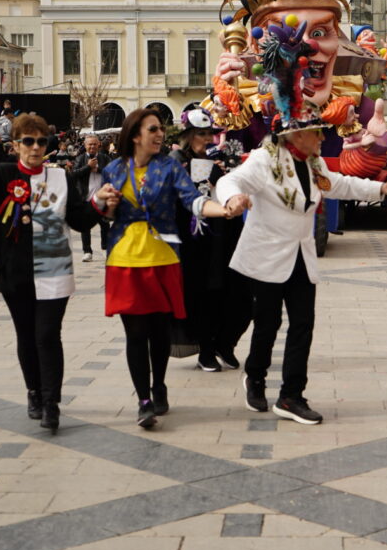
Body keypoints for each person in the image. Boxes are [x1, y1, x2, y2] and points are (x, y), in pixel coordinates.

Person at [216, 109, 387, 426]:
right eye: (316, 132)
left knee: (303, 324)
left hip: (301, 255)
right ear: (296, 135)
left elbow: (338, 184)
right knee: (268, 324)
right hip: (268, 256)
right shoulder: (266, 160)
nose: (322, 137)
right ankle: (256, 377)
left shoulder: (313, 163)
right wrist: (233, 199)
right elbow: (231, 179)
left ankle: (291, 396)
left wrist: (378, 189)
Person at [0, 114, 116, 433]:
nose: (35, 147)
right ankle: (34, 392)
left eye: (41, 141)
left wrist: (98, 203)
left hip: (54, 268)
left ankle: (51, 403)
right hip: (15, 272)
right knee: (27, 336)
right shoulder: (1, 173)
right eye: (28, 141)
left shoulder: (61, 177)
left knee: (47, 335)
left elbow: (79, 220)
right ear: (16, 145)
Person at [103, 108, 239, 429]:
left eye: (161, 129)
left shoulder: (170, 167)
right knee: (135, 334)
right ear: (135, 134)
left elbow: (192, 199)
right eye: (153, 130)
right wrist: (101, 204)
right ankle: (144, 400)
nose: (160, 134)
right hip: (124, 260)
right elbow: (105, 214)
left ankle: (159, 385)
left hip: (163, 258)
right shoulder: (113, 169)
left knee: (159, 331)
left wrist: (222, 209)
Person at [171, 108, 252, 372]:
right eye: (202, 134)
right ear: (189, 135)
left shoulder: (217, 162)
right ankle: (206, 349)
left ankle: (224, 344)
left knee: (240, 298)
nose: (208, 139)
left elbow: (228, 189)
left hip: (222, 236)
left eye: (210, 134)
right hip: (193, 241)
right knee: (203, 297)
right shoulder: (175, 162)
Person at [70, 134, 110, 262]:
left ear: (99, 145)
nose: (92, 146)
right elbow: (74, 174)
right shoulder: (80, 158)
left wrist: (97, 168)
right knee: (85, 226)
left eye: (94, 144)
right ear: (85, 145)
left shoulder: (105, 158)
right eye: (89, 144)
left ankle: (105, 248)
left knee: (105, 225)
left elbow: (111, 173)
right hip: (86, 197)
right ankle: (87, 251)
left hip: (102, 197)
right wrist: (88, 167)